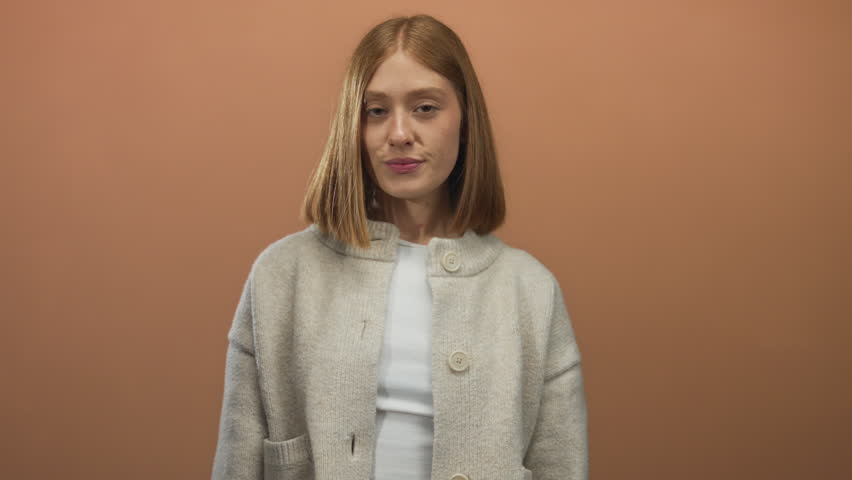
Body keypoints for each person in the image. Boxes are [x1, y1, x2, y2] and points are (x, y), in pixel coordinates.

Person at [211, 13, 588, 480]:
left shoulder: (530, 291)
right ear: (355, 126)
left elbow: (562, 466)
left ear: (465, 121)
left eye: (425, 107)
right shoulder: (282, 276)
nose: (399, 134)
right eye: (376, 111)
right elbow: (238, 462)